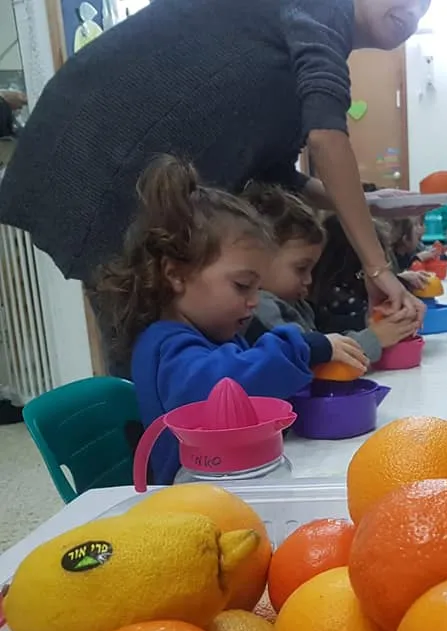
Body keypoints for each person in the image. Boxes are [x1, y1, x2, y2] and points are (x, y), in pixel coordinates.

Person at [0, 0, 432, 322]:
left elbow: (277, 173)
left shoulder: (301, 44)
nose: (413, 11)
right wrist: (376, 265)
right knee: (151, 326)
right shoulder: (325, 7)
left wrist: (366, 204)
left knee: (158, 325)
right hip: (100, 154)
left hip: (125, 165)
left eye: (425, 7)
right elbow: (326, 137)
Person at [94, 156, 366, 484]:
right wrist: (305, 348)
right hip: (189, 500)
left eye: (257, 287)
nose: (254, 301)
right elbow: (226, 383)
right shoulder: (166, 346)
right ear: (176, 274)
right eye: (241, 285)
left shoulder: (215, 333)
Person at [240, 184, 371, 373]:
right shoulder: (262, 309)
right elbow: (310, 357)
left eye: (312, 270)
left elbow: (327, 329)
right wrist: (375, 339)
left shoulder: (296, 303)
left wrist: (367, 321)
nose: (309, 280)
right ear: (257, 260)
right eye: (301, 268)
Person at [310, 215, 422, 363]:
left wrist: (401, 282)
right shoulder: (336, 297)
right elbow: (328, 334)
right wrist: (373, 330)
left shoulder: (354, 284)